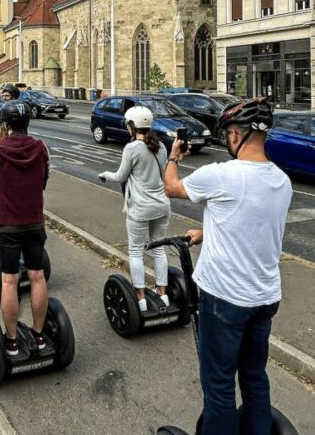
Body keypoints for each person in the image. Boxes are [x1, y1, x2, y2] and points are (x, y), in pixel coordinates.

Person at [163, 98, 292, 434]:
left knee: (219, 383)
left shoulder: (220, 175)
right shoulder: (281, 180)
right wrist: (207, 232)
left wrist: (174, 156)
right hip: (264, 298)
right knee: (254, 376)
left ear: (235, 135)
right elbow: (254, 222)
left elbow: (171, 188)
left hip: (225, 299)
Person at [0, 100, 50, 357]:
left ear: (6, 124)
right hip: (34, 221)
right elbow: (43, 181)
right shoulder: (40, 147)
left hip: (8, 223)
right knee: (37, 276)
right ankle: (39, 335)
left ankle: (11, 341)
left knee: (9, 280)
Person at [98, 106, 171, 312]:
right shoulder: (161, 146)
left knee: (136, 251)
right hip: (162, 205)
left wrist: (105, 174)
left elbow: (120, 176)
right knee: (158, 249)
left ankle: (140, 298)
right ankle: (163, 294)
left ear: (131, 125)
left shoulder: (132, 148)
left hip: (140, 207)